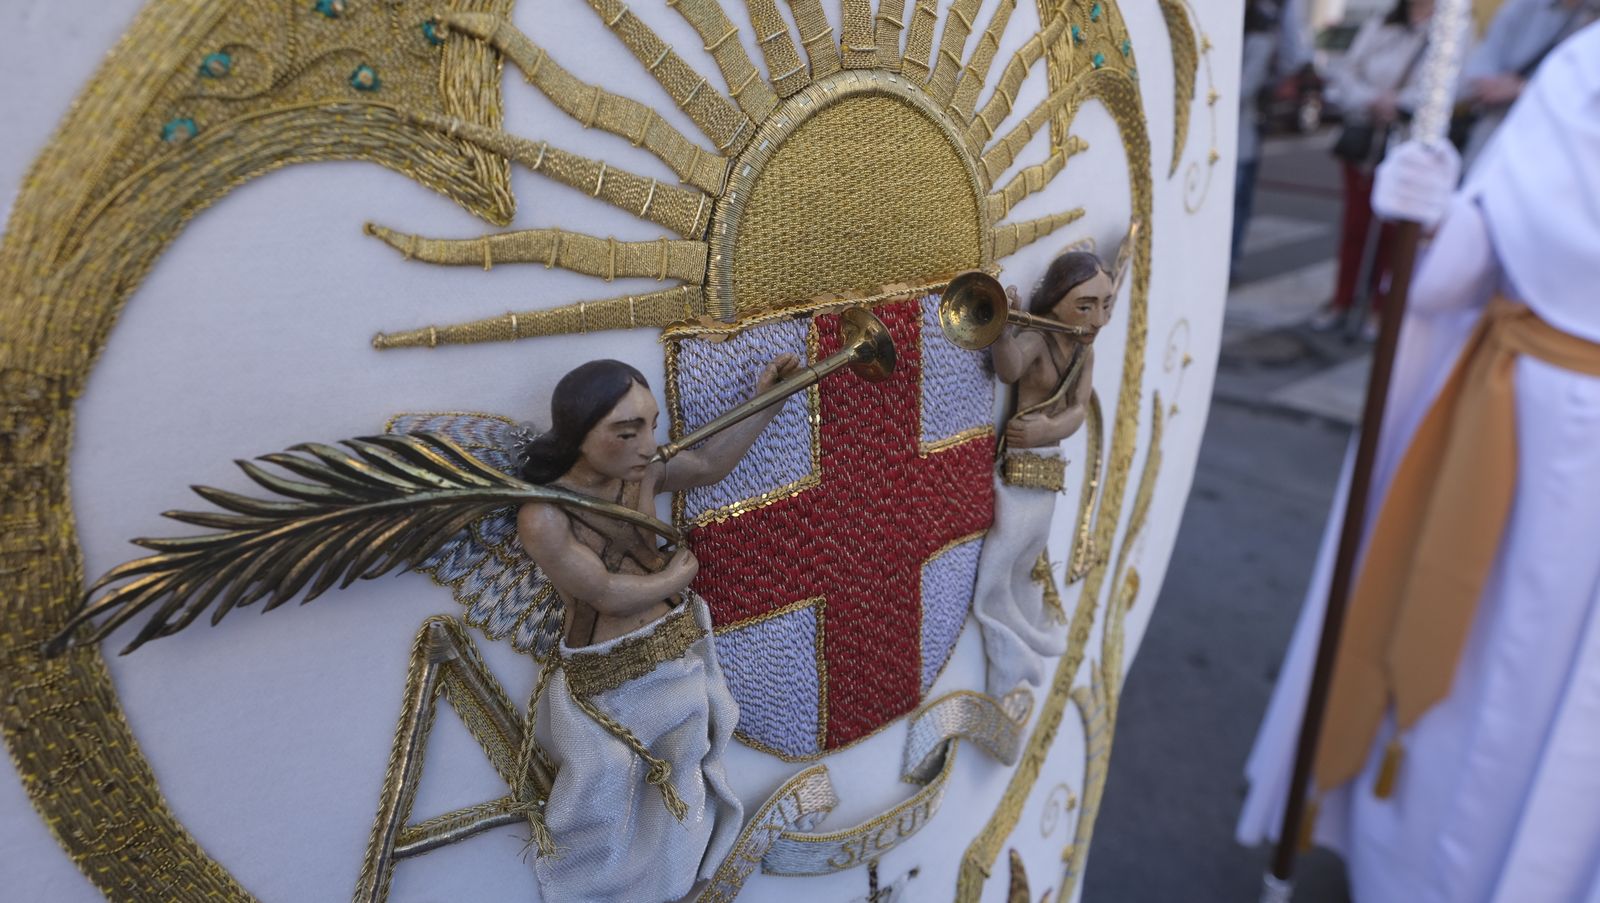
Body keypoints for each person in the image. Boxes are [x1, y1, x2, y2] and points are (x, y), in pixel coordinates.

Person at [1240, 24, 1600, 902]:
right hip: (1500, 418)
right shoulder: (1582, 68)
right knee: (1461, 661)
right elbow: (1452, 280)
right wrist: (1432, 215)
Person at [517, 355, 798, 902]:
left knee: (687, 779)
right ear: (579, 435)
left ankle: (682, 882)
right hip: (612, 675)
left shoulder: (639, 473)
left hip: (676, 648)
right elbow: (601, 591)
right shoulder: (543, 516)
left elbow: (709, 463)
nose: (648, 444)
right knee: (611, 792)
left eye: (651, 424)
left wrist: (772, 400)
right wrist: (676, 575)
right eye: (627, 432)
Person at [973, 252, 1111, 696]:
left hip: (1047, 462)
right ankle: (1006, 625)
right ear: (1056, 301)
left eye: (1106, 305)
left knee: (1031, 549)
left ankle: (1026, 628)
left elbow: (1077, 411)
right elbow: (1009, 369)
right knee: (1009, 544)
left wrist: (1048, 428)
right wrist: (1001, 331)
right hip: (1016, 470)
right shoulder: (1038, 338)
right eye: (1086, 306)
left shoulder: (1082, 351)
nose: (1099, 319)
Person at [1312, 0, 1444, 337]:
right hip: (1366, 135)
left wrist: (1399, 104)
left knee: (1392, 233)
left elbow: (1446, 84)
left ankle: (1379, 308)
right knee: (1356, 225)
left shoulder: (1448, 28)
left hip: (1405, 140)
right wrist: (1369, 98)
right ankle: (1343, 299)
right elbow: (1347, 69)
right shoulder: (1383, 22)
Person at [1456, 0, 1598, 168]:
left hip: (1555, 153)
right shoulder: (1524, 6)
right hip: (1490, 136)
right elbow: (1476, 74)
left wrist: (1522, 89)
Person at [1233, 0, 1313, 279]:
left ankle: (1230, 261)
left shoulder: (1261, 29)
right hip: (1242, 121)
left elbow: (1293, 56)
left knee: (1237, 196)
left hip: (1242, 125)